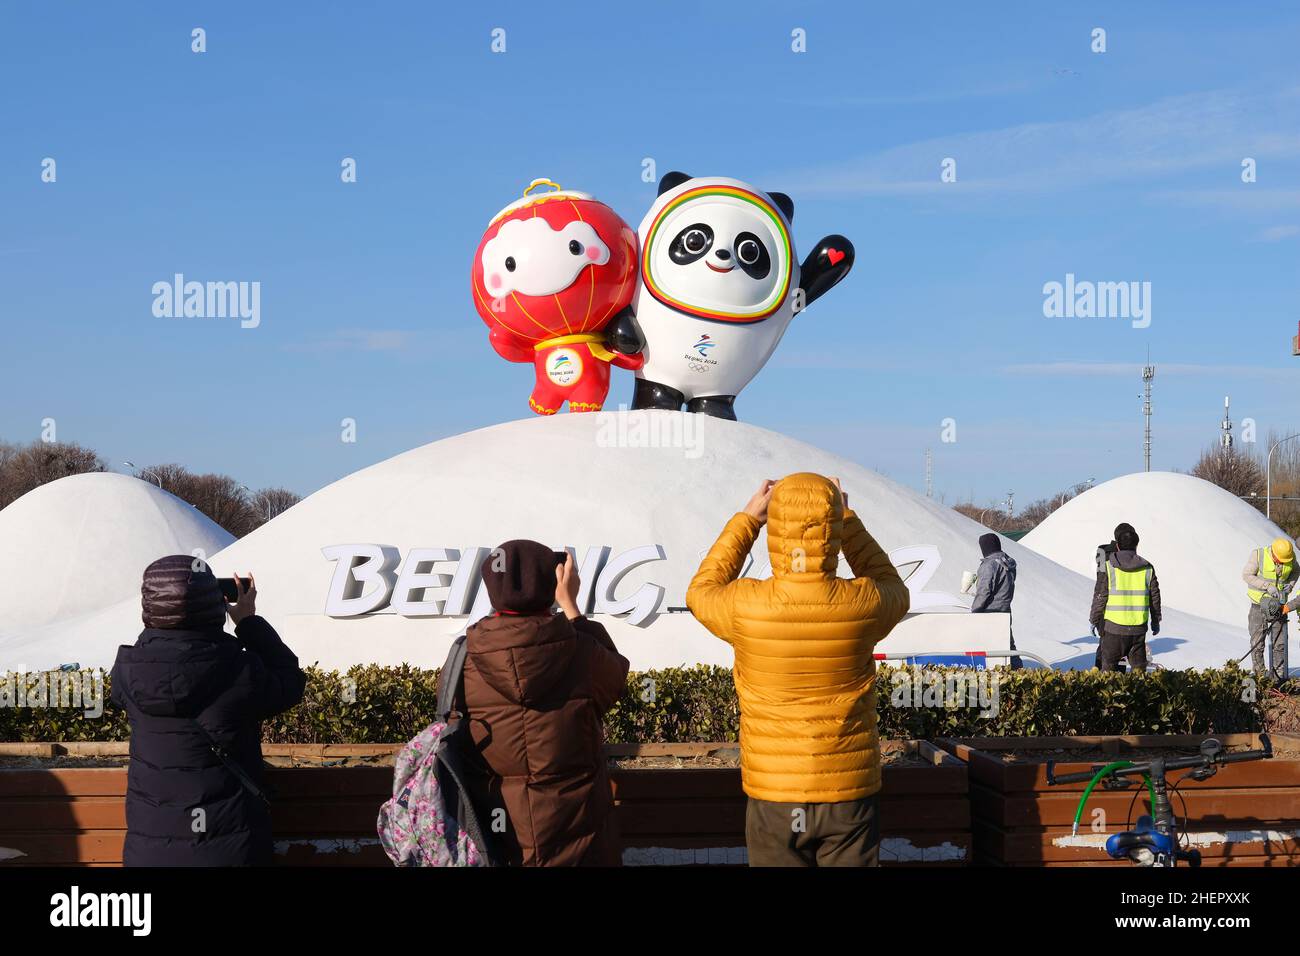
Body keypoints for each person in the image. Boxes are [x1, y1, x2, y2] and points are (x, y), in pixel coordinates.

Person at [686, 473, 911, 867]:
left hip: (775, 795)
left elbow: (700, 591)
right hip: (848, 792)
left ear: (776, 530)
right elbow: (894, 586)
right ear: (833, 532)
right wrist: (848, 519)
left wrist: (747, 519)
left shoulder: (746, 606)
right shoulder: (863, 603)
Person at [110, 555, 306, 866]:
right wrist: (248, 621)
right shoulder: (240, 671)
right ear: (214, 605)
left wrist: (161, 625)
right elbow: (290, 681)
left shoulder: (127, 671)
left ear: (149, 606)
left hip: (149, 854)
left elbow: (160, 654)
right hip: (231, 850)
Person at [461, 540, 629, 866]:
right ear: (553, 584)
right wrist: (573, 610)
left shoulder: (464, 659)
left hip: (499, 838)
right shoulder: (582, 651)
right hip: (580, 841)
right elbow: (616, 678)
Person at [1089, 523, 1161, 672]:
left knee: (1108, 671)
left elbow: (1100, 593)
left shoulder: (1105, 558)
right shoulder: (1147, 567)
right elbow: (1154, 597)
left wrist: (1094, 619)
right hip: (1138, 628)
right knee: (1138, 672)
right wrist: (1156, 620)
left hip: (1112, 626)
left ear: (1118, 544)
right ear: (1136, 545)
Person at [1242, 536, 1297, 680]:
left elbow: (1296, 571)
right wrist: (1267, 586)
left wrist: (1289, 585)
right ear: (1273, 553)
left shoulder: (1289, 557)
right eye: (1280, 560)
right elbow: (1247, 575)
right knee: (1257, 643)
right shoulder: (1258, 555)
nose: (1282, 563)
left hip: (1278, 606)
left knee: (1279, 643)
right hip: (1258, 605)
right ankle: (1260, 677)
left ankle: (1278, 678)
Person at [970, 532, 1020, 669]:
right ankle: (1018, 673)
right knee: (1008, 646)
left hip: (989, 612)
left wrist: (975, 611)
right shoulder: (1008, 562)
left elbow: (984, 591)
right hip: (1004, 610)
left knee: (984, 646)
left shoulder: (989, 565)